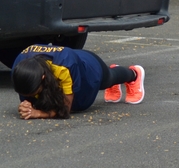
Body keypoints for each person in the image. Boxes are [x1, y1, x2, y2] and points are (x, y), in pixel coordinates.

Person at [12, 44, 144, 119]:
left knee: (109, 78)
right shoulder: (19, 65)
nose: (31, 97)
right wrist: (26, 106)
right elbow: (27, 94)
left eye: (33, 93)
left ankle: (134, 74)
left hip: (89, 69)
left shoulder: (65, 68)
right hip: (64, 59)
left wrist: (39, 113)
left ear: (43, 78)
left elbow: (65, 110)